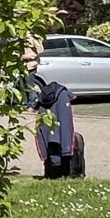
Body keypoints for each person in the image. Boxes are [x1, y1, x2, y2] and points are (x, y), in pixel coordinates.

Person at [23, 35, 80, 177]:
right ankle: (29, 103)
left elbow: (40, 50)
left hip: (30, 66)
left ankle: (31, 102)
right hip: (22, 67)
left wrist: (30, 55)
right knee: (25, 87)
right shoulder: (19, 39)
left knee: (31, 87)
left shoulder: (32, 37)